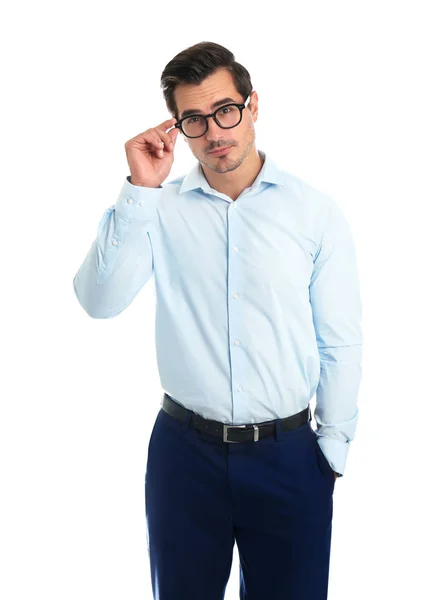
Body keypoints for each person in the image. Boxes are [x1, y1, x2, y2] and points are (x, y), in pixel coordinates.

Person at [73, 41, 363, 600]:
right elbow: (98, 300)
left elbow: (340, 342)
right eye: (195, 120)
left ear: (253, 106)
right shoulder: (160, 207)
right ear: (179, 128)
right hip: (185, 456)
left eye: (226, 110)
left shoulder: (314, 213)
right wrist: (141, 189)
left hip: (290, 457)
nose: (215, 131)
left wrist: (332, 451)